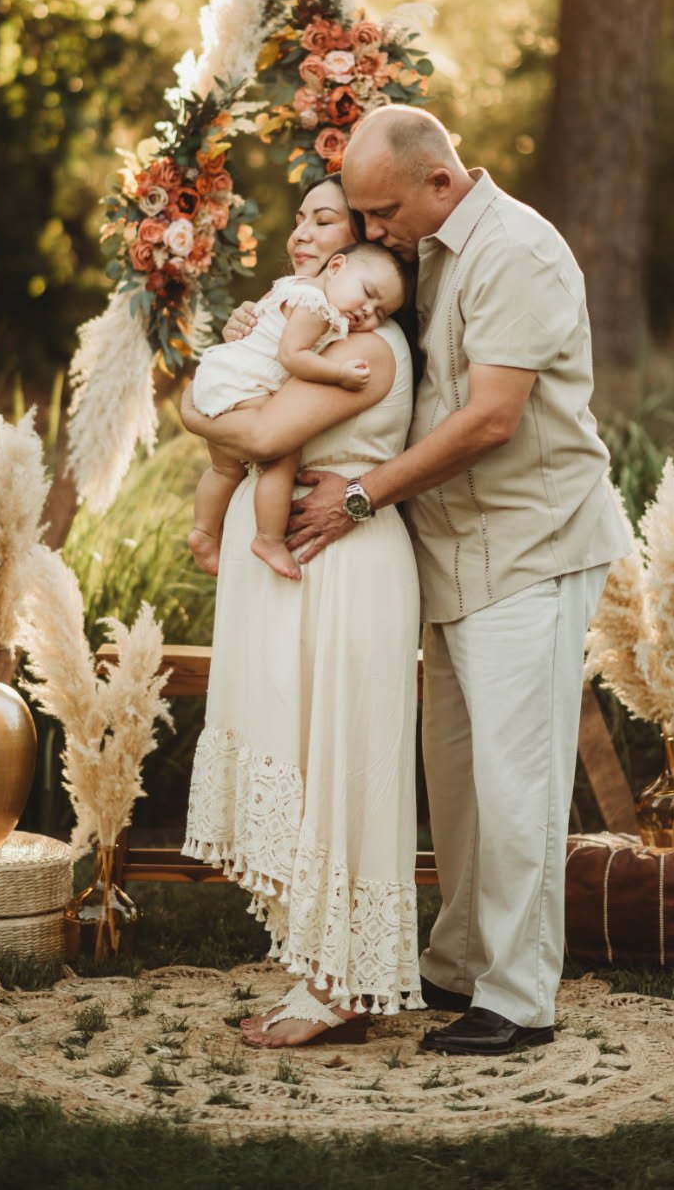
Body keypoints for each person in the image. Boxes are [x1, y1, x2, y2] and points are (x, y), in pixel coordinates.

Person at [287, 104, 631, 1058]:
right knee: (459, 779)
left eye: (379, 209)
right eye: (358, 213)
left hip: (531, 545)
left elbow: (489, 420)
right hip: (453, 554)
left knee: (517, 781)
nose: (368, 230)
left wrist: (356, 496)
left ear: (440, 178)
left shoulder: (517, 251)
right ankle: (460, 956)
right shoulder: (428, 244)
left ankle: (520, 998)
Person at [179, 174, 425, 1047]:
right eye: (298, 216)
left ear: (362, 244)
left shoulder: (370, 347)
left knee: (338, 762)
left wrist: (184, 402)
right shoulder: (294, 322)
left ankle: (342, 985)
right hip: (296, 573)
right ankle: (318, 970)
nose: (299, 233)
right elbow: (246, 420)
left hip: (342, 573)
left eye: (323, 219)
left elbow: (255, 436)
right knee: (299, 755)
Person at [188, 242, 408, 581]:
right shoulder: (317, 307)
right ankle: (269, 539)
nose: (368, 310)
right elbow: (292, 357)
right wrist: (338, 373)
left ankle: (203, 531)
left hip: (220, 379)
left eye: (380, 312)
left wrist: (191, 411)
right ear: (336, 267)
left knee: (224, 469)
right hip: (244, 385)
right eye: (367, 294)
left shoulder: (293, 289)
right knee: (282, 456)